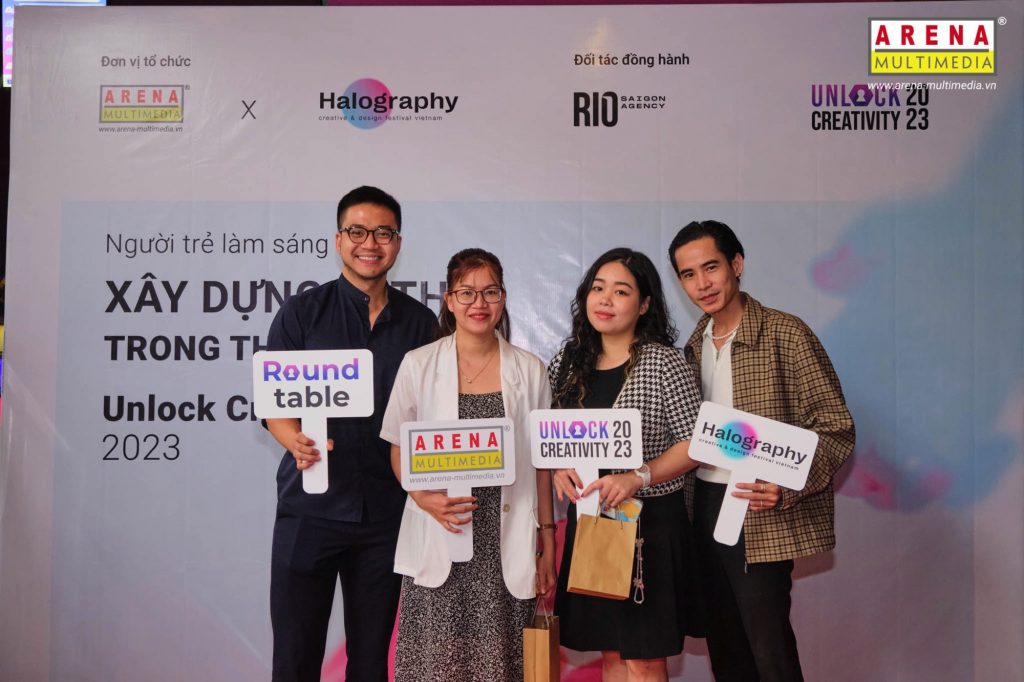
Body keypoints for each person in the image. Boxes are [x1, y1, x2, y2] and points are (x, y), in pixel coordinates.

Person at [263, 186, 438, 682]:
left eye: (383, 232)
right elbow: (273, 404)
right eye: (357, 231)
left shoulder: (421, 323)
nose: (370, 243)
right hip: (310, 509)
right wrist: (293, 440)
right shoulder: (302, 313)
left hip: (386, 517)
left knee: (370, 664)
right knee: (295, 658)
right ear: (338, 240)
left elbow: (433, 414)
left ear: (397, 242)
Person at [669, 220, 856, 682]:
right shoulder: (690, 349)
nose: (702, 284)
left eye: (711, 267)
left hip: (759, 507)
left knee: (770, 652)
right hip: (703, 507)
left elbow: (836, 428)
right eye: (688, 274)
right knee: (726, 648)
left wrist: (785, 485)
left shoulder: (785, 334)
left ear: (736, 264)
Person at [380, 248, 557, 682]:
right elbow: (398, 446)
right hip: (441, 531)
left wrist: (548, 539)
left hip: (505, 545)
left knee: (501, 666)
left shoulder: (530, 370)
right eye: (467, 292)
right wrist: (423, 497)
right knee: (436, 667)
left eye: (490, 292)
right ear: (449, 299)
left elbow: (541, 464)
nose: (479, 303)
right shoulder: (419, 364)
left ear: (504, 298)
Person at [550, 247, 703, 682]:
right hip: (593, 523)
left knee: (645, 659)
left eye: (621, 291)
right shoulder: (567, 362)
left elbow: (696, 442)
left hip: (649, 527)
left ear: (644, 304)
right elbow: (550, 434)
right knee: (613, 652)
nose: (606, 299)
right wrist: (557, 465)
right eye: (598, 288)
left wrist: (639, 476)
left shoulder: (663, 362)